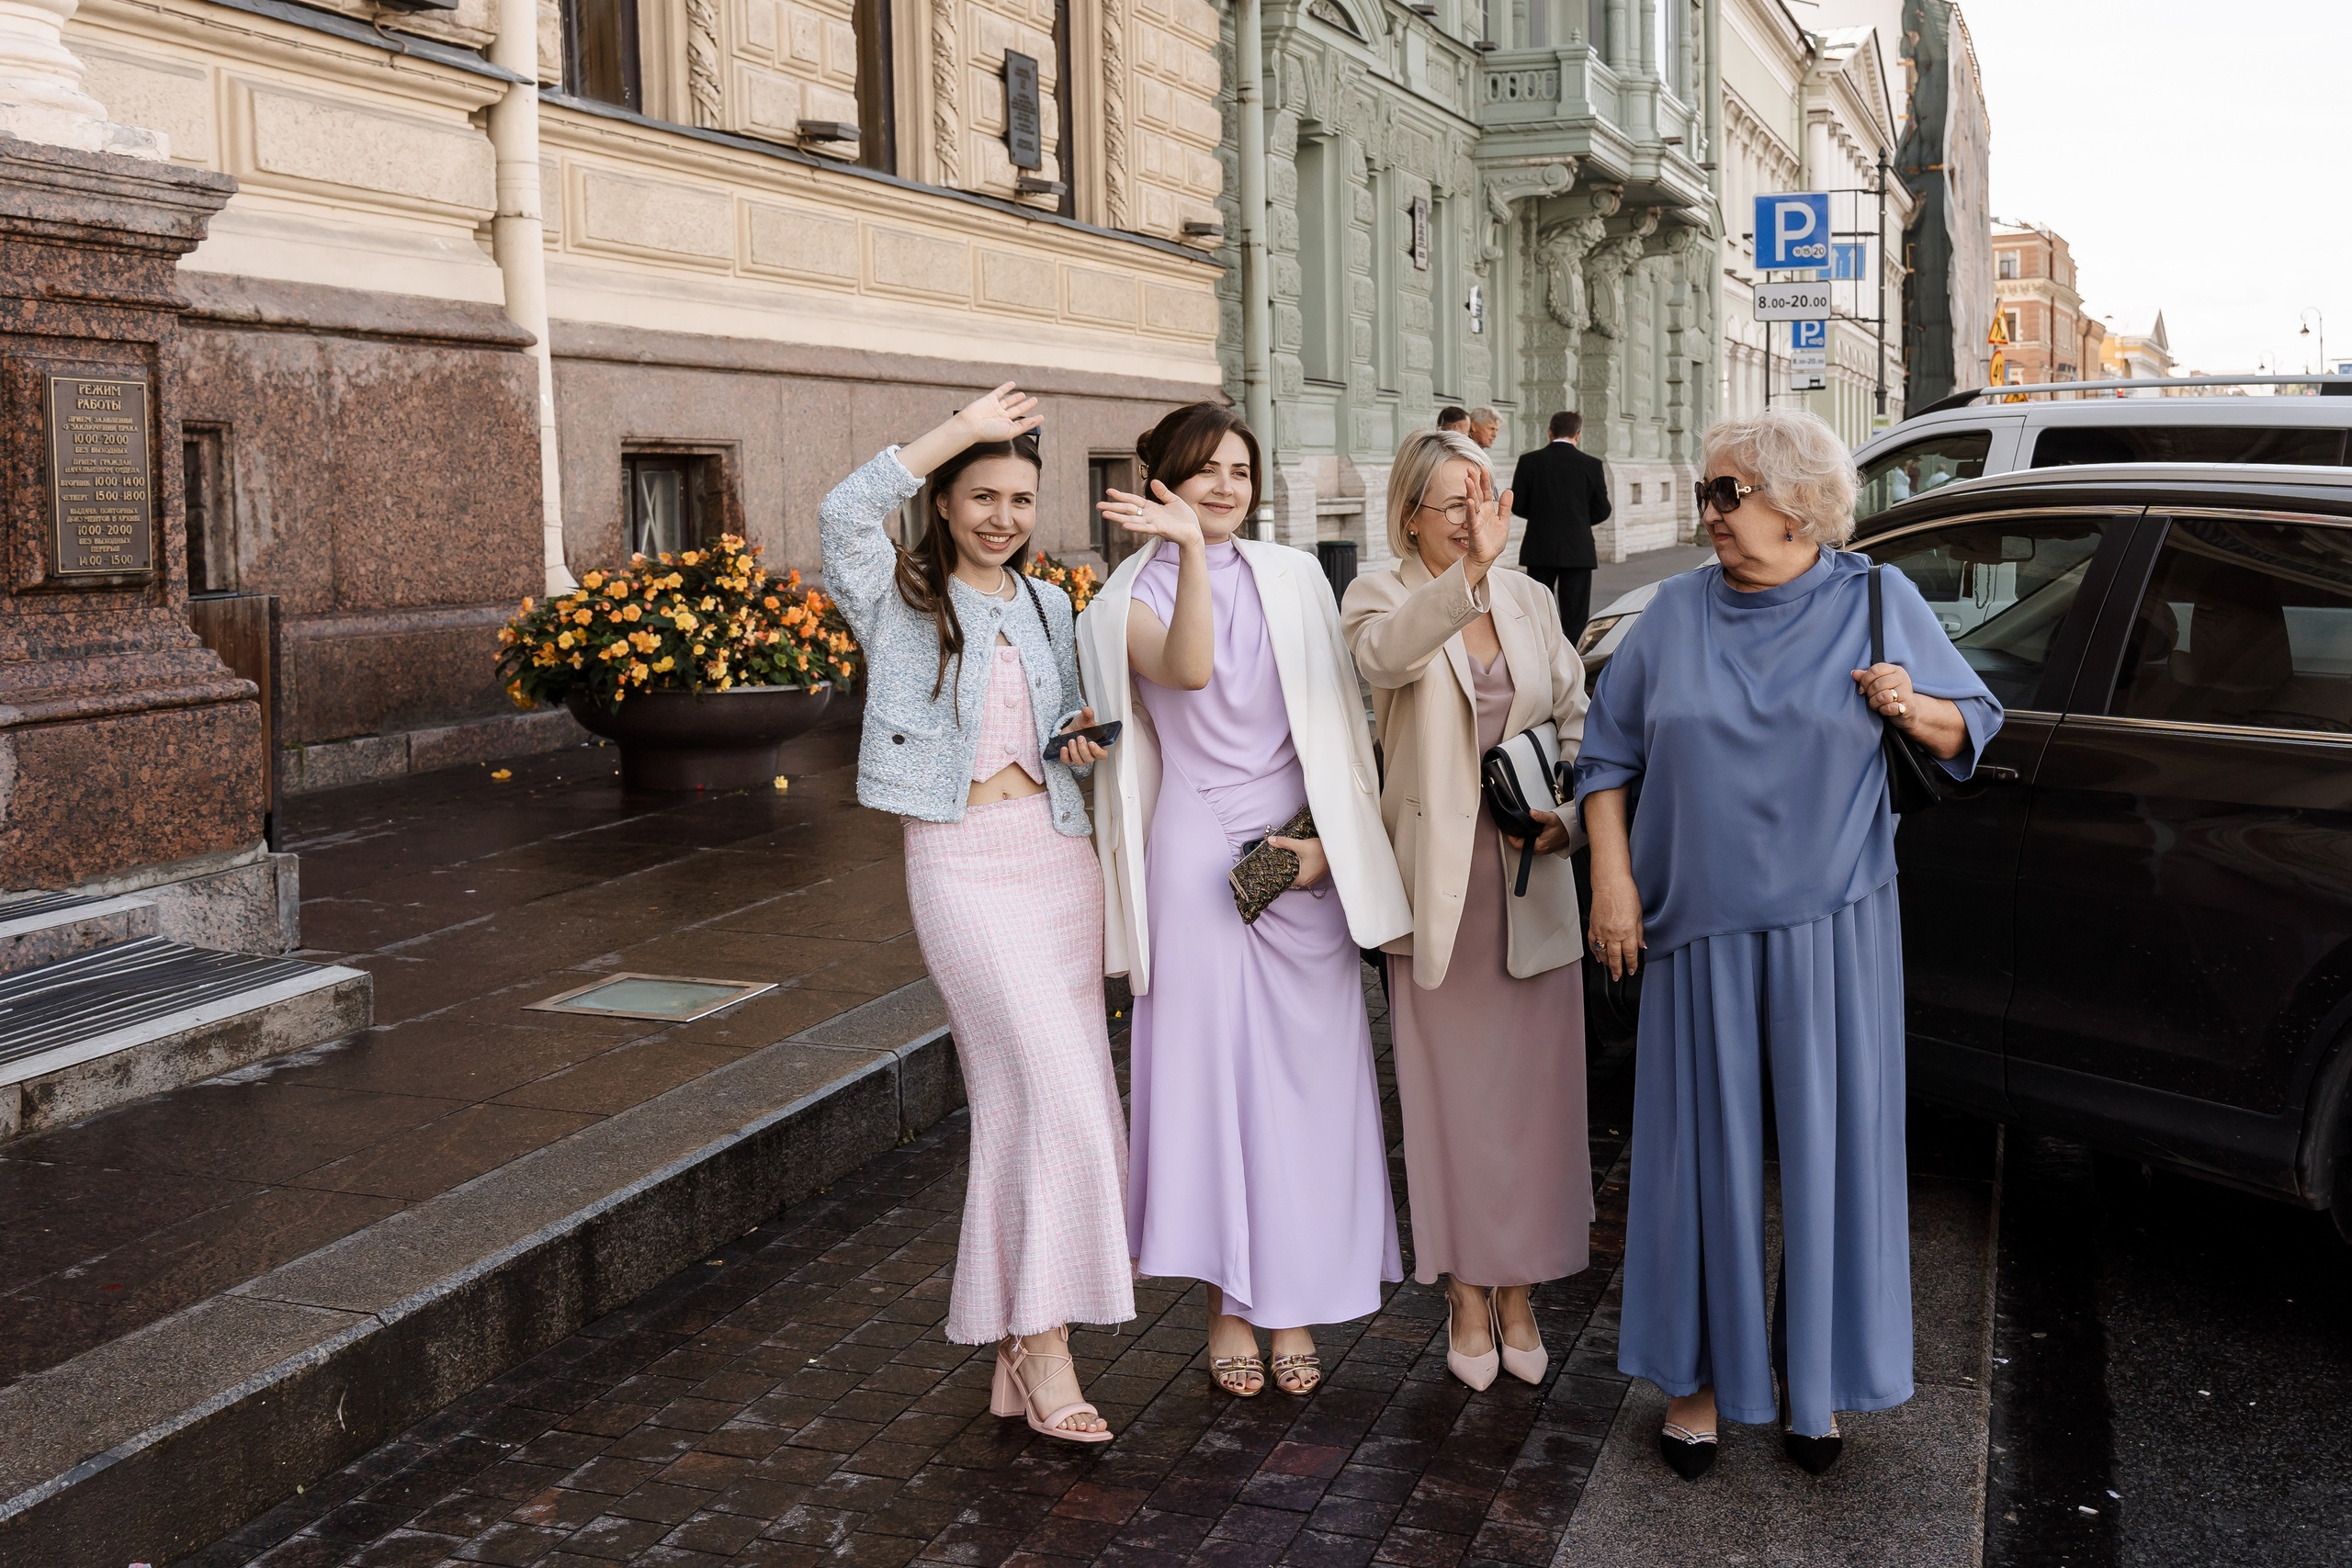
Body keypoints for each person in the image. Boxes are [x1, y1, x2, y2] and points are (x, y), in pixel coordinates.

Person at [1575, 409, 2003, 1480]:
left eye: (1726, 493)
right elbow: (1604, 760)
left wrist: (1913, 705)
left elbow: (1973, 726)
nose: (1707, 513)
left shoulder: (1873, 600)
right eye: (1706, 492)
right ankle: (1697, 1384)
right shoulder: (1672, 613)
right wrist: (1614, 886)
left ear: (1796, 505)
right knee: (1694, 1161)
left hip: (1834, 923)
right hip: (1695, 929)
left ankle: (1816, 1386)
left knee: (1829, 1157)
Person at [1079, 401, 1413, 1399]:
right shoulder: (1119, 602)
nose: (1225, 486)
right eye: (1203, 471)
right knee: (1214, 1091)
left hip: (1295, 856)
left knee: (1309, 1090)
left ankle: (1295, 1305)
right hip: (1193, 861)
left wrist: (1320, 849)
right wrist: (1183, 555)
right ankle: (1228, 1306)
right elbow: (1191, 669)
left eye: (1238, 469)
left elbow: (1337, 722)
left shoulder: (1296, 573)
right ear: (1162, 484)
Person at [819, 382, 1130, 1444]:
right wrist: (961, 428)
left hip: (1058, 857)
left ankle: (1021, 1336)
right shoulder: (895, 594)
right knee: (1054, 1089)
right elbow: (838, 515)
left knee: (1034, 1101)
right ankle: (1045, 1347)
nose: (1003, 516)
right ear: (946, 503)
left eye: (1020, 498)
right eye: (982, 495)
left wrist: (1078, 736)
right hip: (959, 862)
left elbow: (1057, 726)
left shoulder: (1050, 602)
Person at [1340, 430, 1594, 1393]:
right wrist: (1467, 579)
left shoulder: (1530, 600)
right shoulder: (1381, 593)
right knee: (1452, 1105)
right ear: (1410, 514)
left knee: (1534, 1104)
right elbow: (1385, 662)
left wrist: (1566, 819)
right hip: (1439, 891)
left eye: (1483, 496)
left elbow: (1574, 714)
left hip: (1531, 880)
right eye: (1452, 502)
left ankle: (1519, 1288)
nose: (1472, 515)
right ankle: (1461, 1289)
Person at [1510, 411, 1613, 642]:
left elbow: (1517, 504)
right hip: (1578, 548)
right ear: (1578, 434)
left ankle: (1538, 655)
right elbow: (1603, 509)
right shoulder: (1591, 464)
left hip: (1539, 545)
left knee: (1537, 609)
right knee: (1575, 616)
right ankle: (1573, 664)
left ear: (1550, 432)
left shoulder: (1529, 461)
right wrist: (1579, 521)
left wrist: (1540, 517)